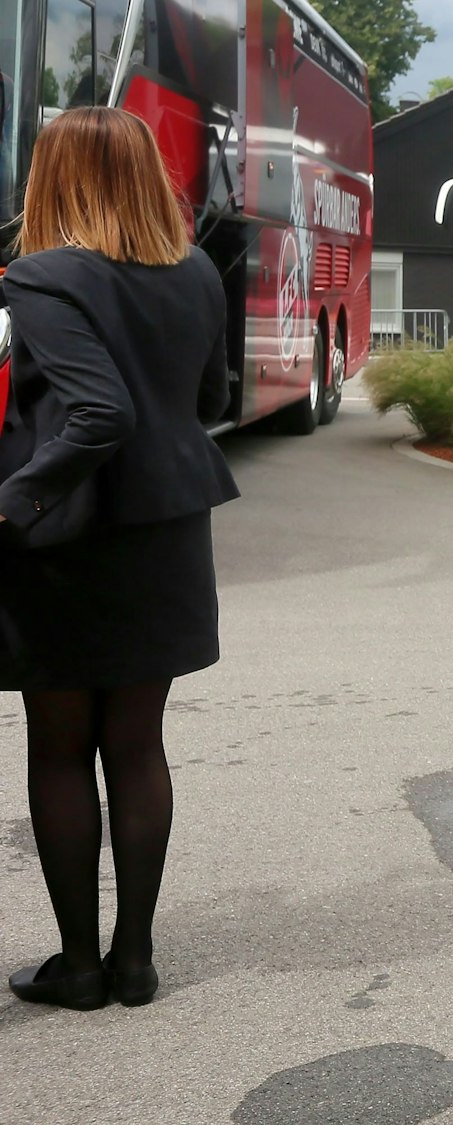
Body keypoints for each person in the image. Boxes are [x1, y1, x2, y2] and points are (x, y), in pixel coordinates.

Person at [0, 106, 239, 1010]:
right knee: (137, 745)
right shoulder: (197, 274)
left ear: (55, 175)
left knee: (61, 749)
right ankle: (135, 959)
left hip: (64, 542)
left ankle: (78, 965)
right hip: (169, 533)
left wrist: (13, 496)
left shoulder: (42, 276)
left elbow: (101, 413)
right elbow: (205, 398)